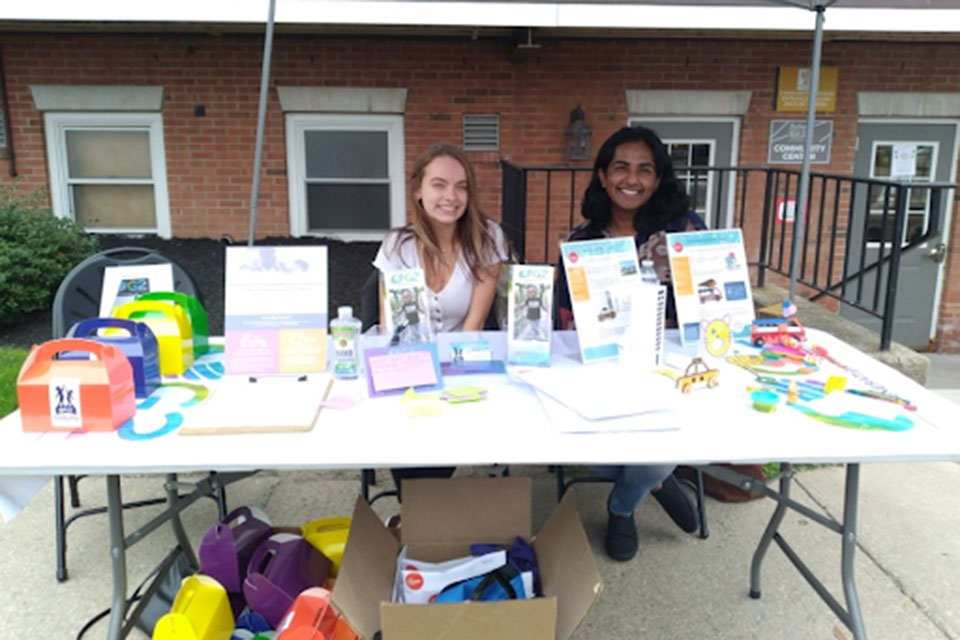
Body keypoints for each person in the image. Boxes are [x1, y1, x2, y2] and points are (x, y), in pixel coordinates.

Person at [555, 125, 705, 561]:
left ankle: (623, 506)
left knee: (665, 440)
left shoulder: (685, 232)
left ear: (658, 180)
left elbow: (712, 299)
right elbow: (565, 319)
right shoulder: (582, 242)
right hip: (601, 370)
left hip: (671, 371)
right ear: (602, 175)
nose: (632, 179)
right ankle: (655, 480)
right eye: (621, 167)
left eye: (645, 169)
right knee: (589, 444)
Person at [373, 143, 509, 500]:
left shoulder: (487, 238)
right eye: (439, 184)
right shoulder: (396, 245)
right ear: (418, 191)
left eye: (461, 186)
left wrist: (443, 383)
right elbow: (391, 330)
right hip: (407, 364)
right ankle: (417, 509)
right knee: (406, 441)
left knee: (433, 454)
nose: (451, 196)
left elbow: (472, 328)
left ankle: (419, 510)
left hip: (459, 360)